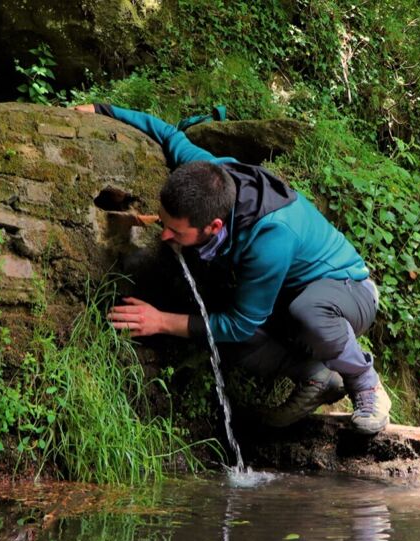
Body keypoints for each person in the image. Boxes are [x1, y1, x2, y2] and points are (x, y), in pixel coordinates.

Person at [74, 103, 391, 434]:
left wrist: (162, 321)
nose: (164, 235)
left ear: (213, 226)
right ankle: (317, 375)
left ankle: (365, 383)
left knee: (303, 311)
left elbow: (240, 324)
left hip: (348, 294)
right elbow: (167, 134)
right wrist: (100, 108)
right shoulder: (207, 176)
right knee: (225, 334)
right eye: (164, 223)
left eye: (175, 231)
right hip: (285, 303)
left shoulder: (270, 237)